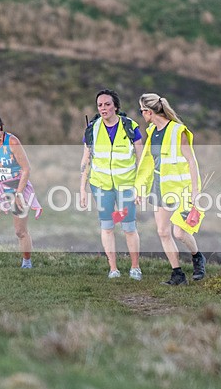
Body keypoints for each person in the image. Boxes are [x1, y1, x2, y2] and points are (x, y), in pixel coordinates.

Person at [134, 93, 206, 285]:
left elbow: (191, 161)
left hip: (181, 188)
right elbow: (148, 163)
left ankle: (197, 257)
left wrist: (195, 190)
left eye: (142, 111)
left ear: (149, 111)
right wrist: (139, 188)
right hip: (161, 188)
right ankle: (178, 275)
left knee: (180, 233)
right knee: (163, 232)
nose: (142, 115)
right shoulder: (152, 132)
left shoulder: (177, 131)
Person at [79, 89, 144, 280]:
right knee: (107, 226)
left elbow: (141, 159)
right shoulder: (92, 129)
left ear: (116, 106)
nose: (103, 108)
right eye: (100, 105)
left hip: (126, 185)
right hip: (100, 185)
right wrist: (82, 189)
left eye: (107, 104)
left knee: (129, 227)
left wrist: (139, 187)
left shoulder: (131, 127)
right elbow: (86, 160)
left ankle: (135, 267)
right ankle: (113, 269)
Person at [0, 110, 40, 270]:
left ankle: (26, 262)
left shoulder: (12, 142)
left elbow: (26, 169)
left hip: (15, 186)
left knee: (20, 231)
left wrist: (18, 193)